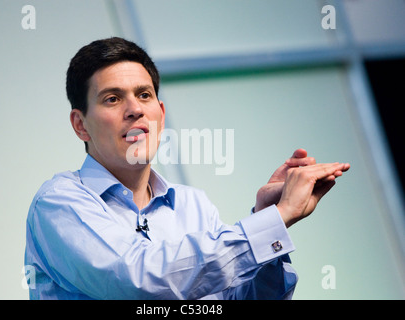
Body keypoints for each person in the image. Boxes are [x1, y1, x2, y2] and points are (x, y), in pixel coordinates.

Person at [24, 37, 350, 300]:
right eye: (112, 98)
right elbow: (139, 283)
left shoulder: (194, 205)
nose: (135, 109)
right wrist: (273, 221)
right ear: (80, 125)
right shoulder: (58, 203)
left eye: (144, 95)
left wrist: (267, 215)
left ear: (160, 115)